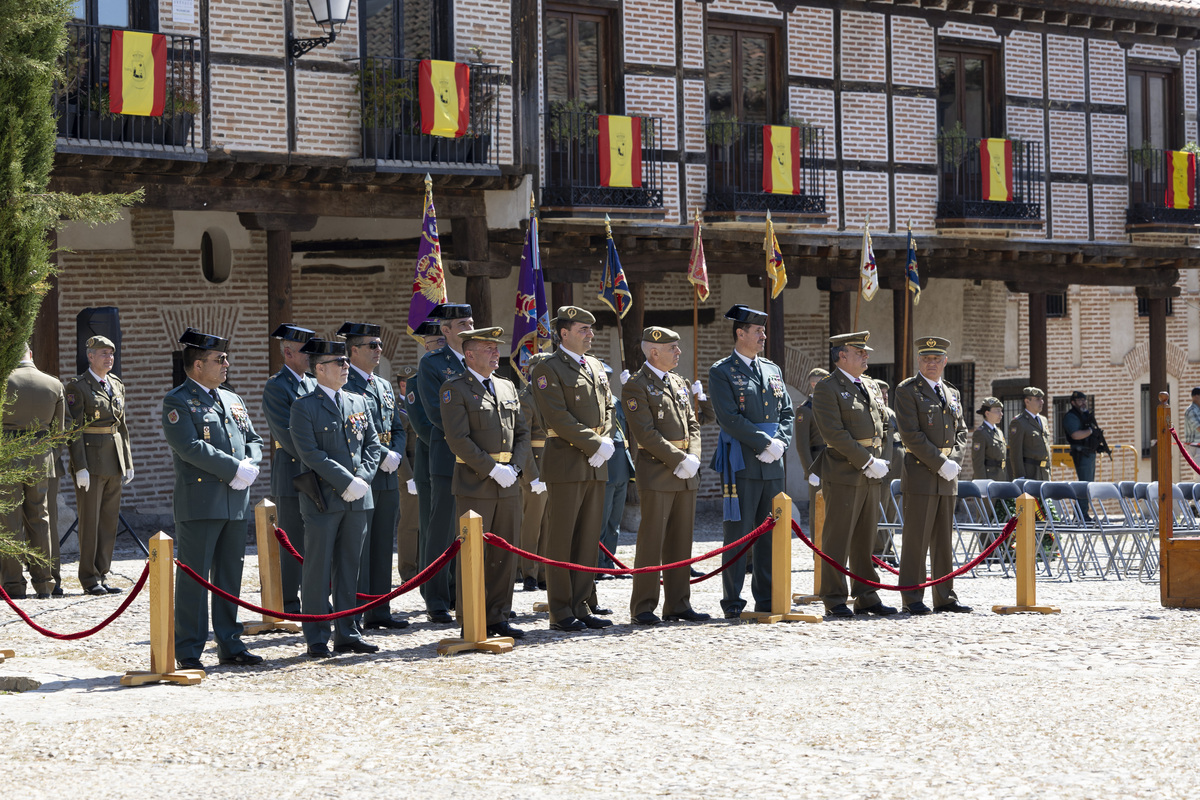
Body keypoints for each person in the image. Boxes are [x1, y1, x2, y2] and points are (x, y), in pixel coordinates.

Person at [162, 329, 264, 669]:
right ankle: (189, 650)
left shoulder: (232, 399)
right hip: (201, 502)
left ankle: (230, 642)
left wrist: (251, 462)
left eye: (225, 359)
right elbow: (189, 446)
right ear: (196, 365)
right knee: (196, 578)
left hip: (235, 501)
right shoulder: (177, 400)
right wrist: (235, 468)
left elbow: (253, 437)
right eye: (218, 360)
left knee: (229, 576)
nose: (226, 364)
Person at [289, 338, 384, 658]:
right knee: (317, 569)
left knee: (349, 566)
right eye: (339, 363)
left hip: (359, 498)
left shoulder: (359, 402)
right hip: (324, 500)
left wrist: (363, 480)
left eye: (346, 362)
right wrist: (346, 481)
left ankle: (348, 631)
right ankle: (316, 635)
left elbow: (373, 446)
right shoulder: (304, 406)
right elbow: (310, 453)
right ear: (320, 369)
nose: (346, 367)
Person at [439, 327, 531, 639]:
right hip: (476, 482)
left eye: (496, 348)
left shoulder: (507, 387)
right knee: (474, 553)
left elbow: (522, 433)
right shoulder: (455, 389)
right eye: (488, 348)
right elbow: (458, 439)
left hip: (508, 482)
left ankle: (498, 616)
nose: (496, 353)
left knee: (506, 553)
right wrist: (492, 469)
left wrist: (515, 468)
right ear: (469, 354)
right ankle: (473, 618)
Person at [530, 305, 615, 632]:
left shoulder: (594, 365)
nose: (590, 335)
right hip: (566, 461)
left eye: (591, 330)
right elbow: (556, 417)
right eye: (583, 329)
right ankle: (561, 609)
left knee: (588, 536)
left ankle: (581, 603)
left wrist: (604, 441)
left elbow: (608, 407)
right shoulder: (547, 368)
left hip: (596, 463)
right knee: (562, 538)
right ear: (563, 333)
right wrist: (594, 444)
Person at [708, 304, 794, 619]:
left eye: (763, 331)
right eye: (757, 331)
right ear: (740, 333)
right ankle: (732, 600)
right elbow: (728, 417)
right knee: (739, 534)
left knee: (769, 534)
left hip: (772, 463)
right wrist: (762, 442)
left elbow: (787, 411)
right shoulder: (722, 371)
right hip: (742, 461)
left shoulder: (772, 369)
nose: (763, 336)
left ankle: (767, 598)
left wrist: (781, 443)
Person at [623, 326, 709, 625]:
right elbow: (645, 434)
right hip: (659, 471)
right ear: (653, 351)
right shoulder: (636, 385)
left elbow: (693, 424)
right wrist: (678, 459)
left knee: (681, 541)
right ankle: (644, 606)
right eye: (673, 348)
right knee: (652, 542)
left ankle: (678, 603)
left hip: (686, 471)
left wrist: (694, 456)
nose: (679, 353)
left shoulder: (679, 382)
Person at [809, 331, 892, 618]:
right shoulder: (827, 388)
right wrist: (867, 460)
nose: (866, 356)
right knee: (838, 537)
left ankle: (867, 595)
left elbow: (883, 425)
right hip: (845, 470)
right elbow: (834, 433)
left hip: (871, 472)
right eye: (859, 352)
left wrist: (882, 460)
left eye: (865, 351)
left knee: (865, 538)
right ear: (842, 355)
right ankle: (833, 598)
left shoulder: (868, 384)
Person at [340, 321, 408, 631]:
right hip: (363, 473)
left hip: (388, 474)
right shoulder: (345, 384)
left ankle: (379, 610)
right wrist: (382, 456)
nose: (379, 350)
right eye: (372, 345)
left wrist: (396, 453)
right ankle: (355, 610)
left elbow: (397, 426)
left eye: (379, 345)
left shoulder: (382, 384)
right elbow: (353, 431)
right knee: (360, 546)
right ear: (353, 351)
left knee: (383, 543)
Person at [894, 336, 970, 615]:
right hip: (922, 473)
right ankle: (912, 597)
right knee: (917, 539)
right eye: (926, 359)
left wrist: (954, 461)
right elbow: (910, 435)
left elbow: (962, 432)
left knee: (943, 540)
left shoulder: (951, 392)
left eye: (937, 359)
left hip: (948, 475)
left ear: (945, 361)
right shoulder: (907, 391)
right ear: (919, 361)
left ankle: (945, 596)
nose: (931, 363)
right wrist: (940, 463)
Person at [415, 303, 473, 624]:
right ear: (446, 331)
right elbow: (436, 415)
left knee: (474, 528)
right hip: (448, 457)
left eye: (471, 322)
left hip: (480, 460)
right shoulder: (433, 364)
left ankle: (463, 593)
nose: (468, 327)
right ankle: (436, 598)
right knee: (441, 531)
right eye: (461, 324)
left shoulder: (480, 359)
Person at [64, 335, 133, 596]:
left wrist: (127, 460)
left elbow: (121, 425)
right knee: (90, 522)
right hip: (91, 463)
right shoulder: (78, 387)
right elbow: (74, 430)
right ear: (90, 356)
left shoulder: (116, 384)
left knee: (108, 521)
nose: (109, 358)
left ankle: (103, 572)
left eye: (111, 353)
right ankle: (89, 578)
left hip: (114, 459)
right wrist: (79, 465)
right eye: (103, 353)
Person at [0, 345, 64, 600]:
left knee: (9, 520)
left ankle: (14, 585)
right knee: (41, 518)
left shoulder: (4, 382)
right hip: (41, 456)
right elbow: (59, 432)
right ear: (31, 354)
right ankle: (44, 584)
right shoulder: (53, 384)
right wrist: (47, 455)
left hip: (8, 455)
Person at [260, 323, 316, 614]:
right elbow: (286, 433)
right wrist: (319, 460)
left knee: (313, 539)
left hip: (315, 471)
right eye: (305, 349)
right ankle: (289, 603)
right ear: (288, 351)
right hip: (292, 472)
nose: (311, 355)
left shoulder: (312, 383)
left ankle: (313, 598)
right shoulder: (276, 386)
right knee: (291, 538)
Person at [405, 320, 447, 594]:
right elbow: (422, 425)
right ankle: (432, 589)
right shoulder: (416, 380)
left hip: (460, 459)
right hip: (432, 458)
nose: (441, 348)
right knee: (433, 526)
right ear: (425, 345)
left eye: (444, 342)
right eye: (436, 343)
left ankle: (456, 588)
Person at [517, 353, 551, 593]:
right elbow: (523, 439)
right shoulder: (526, 398)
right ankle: (528, 572)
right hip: (536, 465)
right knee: (532, 523)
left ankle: (544, 573)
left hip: (554, 465)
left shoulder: (553, 395)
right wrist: (532, 475)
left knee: (550, 522)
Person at [597, 364, 634, 582]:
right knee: (601, 518)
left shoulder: (616, 402)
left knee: (614, 521)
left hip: (621, 463)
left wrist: (629, 389)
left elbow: (633, 414)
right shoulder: (594, 403)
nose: (605, 383)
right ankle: (598, 564)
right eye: (602, 379)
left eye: (607, 380)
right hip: (605, 465)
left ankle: (611, 562)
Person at [795, 367, 828, 540]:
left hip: (835, 461)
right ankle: (819, 553)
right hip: (818, 461)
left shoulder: (830, 405)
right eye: (816, 383)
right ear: (813, 384)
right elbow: (802, 445)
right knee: (818, 508)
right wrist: (810, 471)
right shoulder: (805, 410)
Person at [394, 366, 420, 584]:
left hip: (424, 471)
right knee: (410, 524)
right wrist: (408, 477)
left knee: (425, 523)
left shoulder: (420, 404)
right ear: (401, 384)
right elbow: (399, 447)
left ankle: (423, 567)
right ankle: (408, 572)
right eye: (406, 382)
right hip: (410, 473)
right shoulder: (398, 409)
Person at [1008, 387, 1051, 481]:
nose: (1042, 402)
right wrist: (1020, 476)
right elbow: (1016, 452)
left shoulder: (1043, 420)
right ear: (1027, 402)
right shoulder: (1019, 422)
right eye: (1037, 400)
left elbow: (1046, 447)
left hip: (1044, 472)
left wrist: (1049, 471)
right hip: (1030, 473)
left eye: (1042, 399)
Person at [1063, 390, 1099, 482]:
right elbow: (1075, 435)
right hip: (1082, 453)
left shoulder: (1085, 414)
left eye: (1084, 400)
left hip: (1090, 451)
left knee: (1090, 484)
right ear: (1073, 402)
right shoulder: (1071, 416)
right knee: (1085, 485)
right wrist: (1090, 431)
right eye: (1080, 400)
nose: (1083, 403)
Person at [971, 397, 1007, 480]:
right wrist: (982, 482)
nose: (1001, 414)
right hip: (989, 478)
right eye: (998, 411)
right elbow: (978, 462)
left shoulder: (999, 432)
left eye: (1001, 411)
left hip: (1001, 477)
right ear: (987, 413)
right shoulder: (980, 433)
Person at [1184, 387, 1200, 465]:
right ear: (1196, 396)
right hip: (1196, 448)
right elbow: (1199, 427)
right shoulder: (1191, 411)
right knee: (1198, 474)